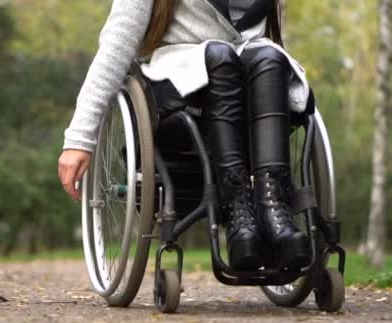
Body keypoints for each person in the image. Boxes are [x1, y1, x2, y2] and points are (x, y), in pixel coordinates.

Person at [58, 0, 311, 272]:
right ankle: (239, 212)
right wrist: (80, 139)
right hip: (180, 89)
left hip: (248, 80)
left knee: (270, 58)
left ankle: (275, 211)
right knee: (219, 55)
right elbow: (116, 46)